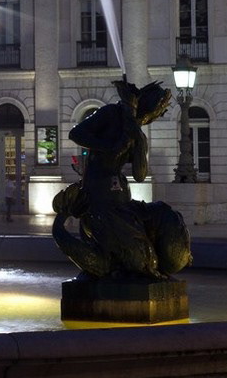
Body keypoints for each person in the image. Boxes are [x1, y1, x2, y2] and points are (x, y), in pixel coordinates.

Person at [52, 77, 190, 280]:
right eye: (157, 111)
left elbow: (140, 175)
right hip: (100, 204)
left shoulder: (135, 130)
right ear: (146, 105)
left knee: (165, 216)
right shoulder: (111, 113)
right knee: (144, 261)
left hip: (124, 202)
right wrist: (109, 144)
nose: (155, 117)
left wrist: (138, 138)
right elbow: (76, 133)